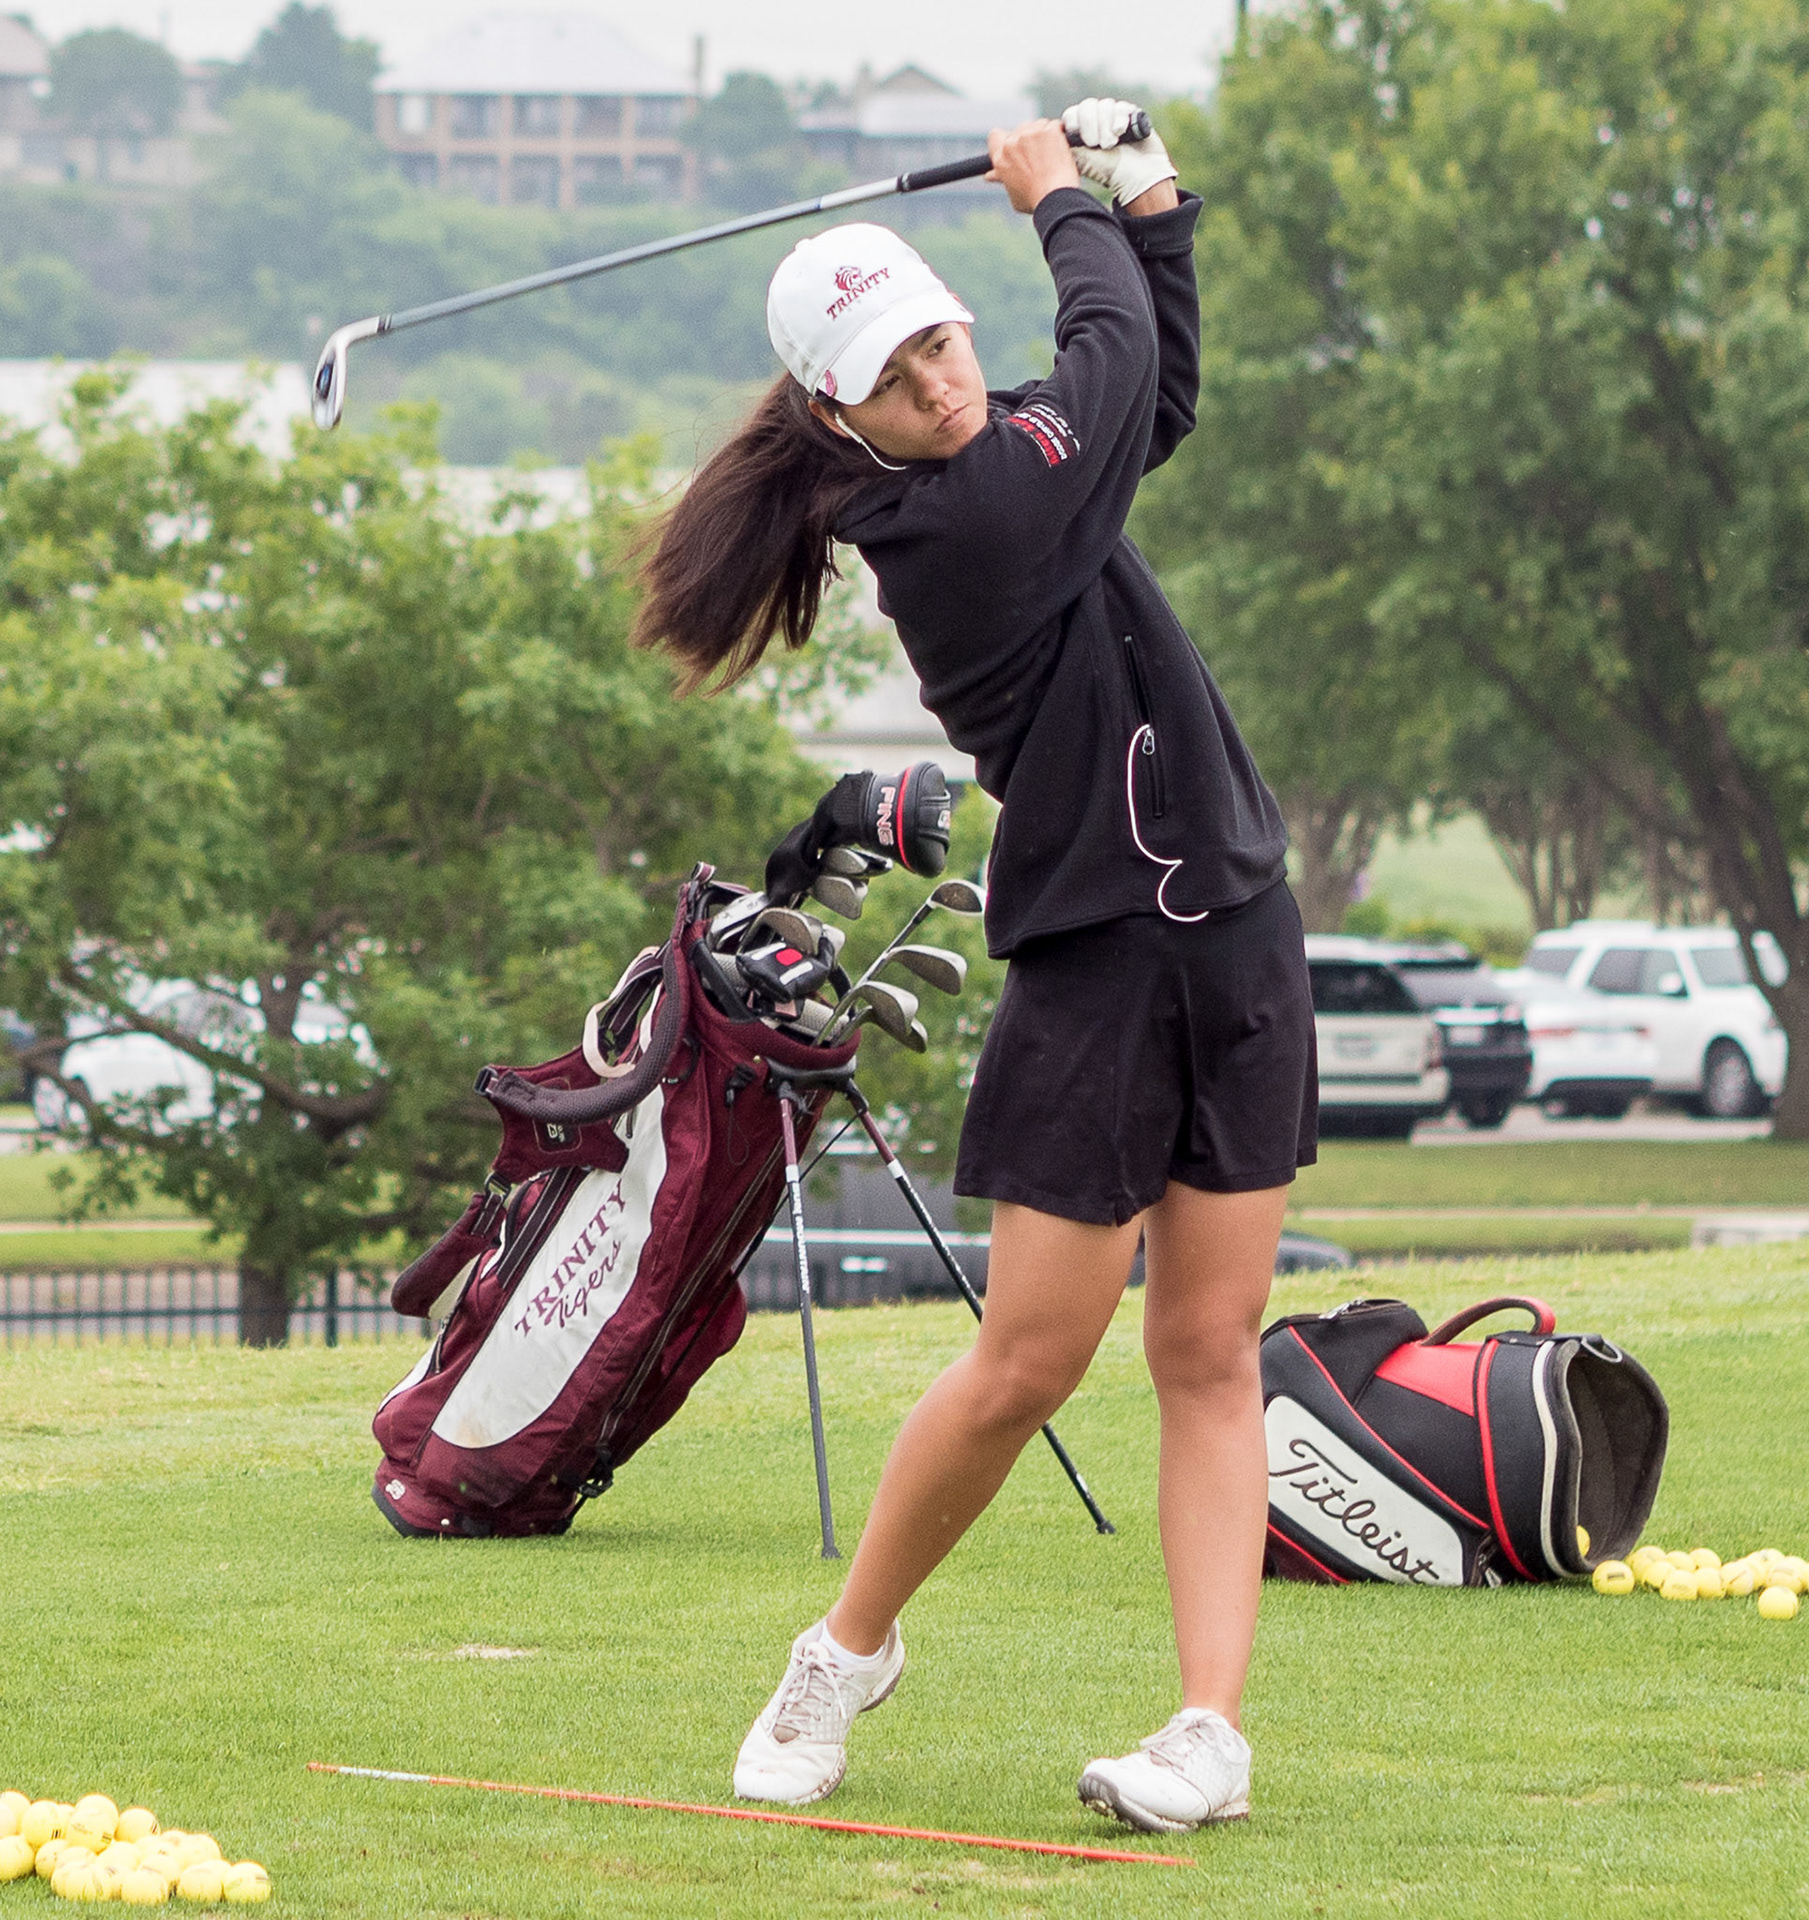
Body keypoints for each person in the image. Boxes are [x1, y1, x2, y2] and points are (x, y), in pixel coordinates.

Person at [632, 98, 1316, 1836]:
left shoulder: (1021, 449)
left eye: (941, 336)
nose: (942, 375)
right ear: (834, 409)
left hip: (1234, 932)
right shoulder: (940, 527)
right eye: (896, 362)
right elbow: (1101, 372)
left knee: (1213, 1347)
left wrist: (1152, 196)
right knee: (1028, 1361)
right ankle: (847, 1649)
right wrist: (1066, 203)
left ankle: (1209, 1733)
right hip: (1094, 965)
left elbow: (1146, 396)